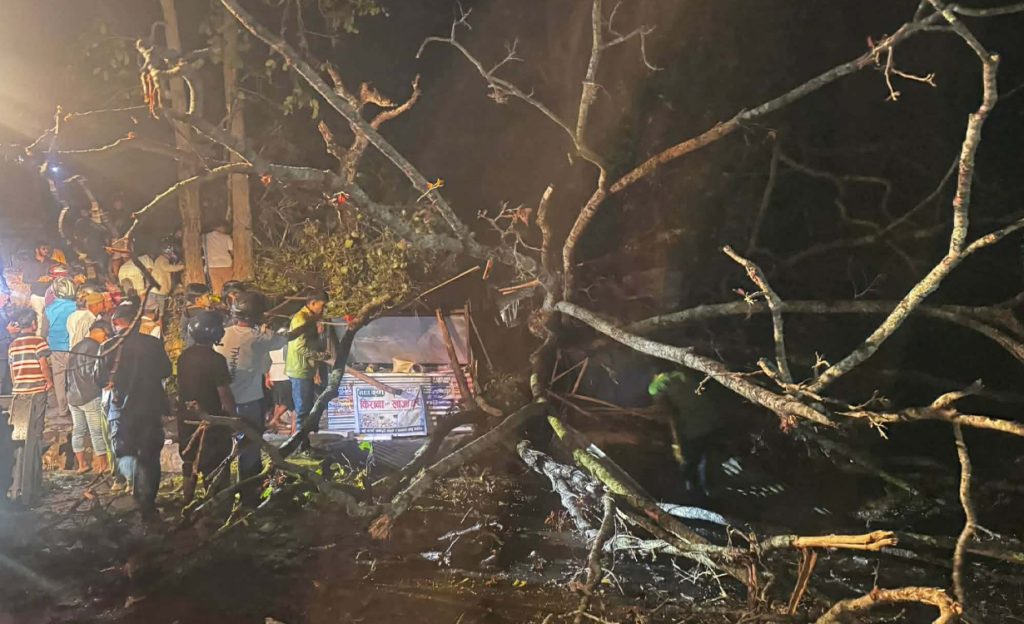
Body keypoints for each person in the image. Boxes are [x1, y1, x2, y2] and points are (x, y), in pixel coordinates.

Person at [214, 291, 289, 506]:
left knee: (222, 450)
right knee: (249, 451)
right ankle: (249, 497)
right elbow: (284, 339)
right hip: (248, 403)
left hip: (222, 401)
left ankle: (222, 496)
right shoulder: (260, 338)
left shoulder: (222, 334)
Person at [98, 303, 172, 516]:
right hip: (150, 405)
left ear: (116, 322)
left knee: (124, 449)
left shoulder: (108, 346)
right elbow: (166, 370)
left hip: (121, 407)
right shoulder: (153, 344)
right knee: (150, 454)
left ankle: (133, 491)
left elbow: (99, 379)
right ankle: (146, 501)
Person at [177, 311, 236, 505]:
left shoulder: (184, 357)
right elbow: (224, 393)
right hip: (211, 419)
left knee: (189, 460)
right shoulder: (216, 360)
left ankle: (187, 501)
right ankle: (216, 504)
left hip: (186, 417)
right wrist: (232, 418)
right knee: (216, 463)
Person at [648, 370, 725, 499]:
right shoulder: (680, 375)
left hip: (692, 429)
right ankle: (712, 490)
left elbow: (668, 413)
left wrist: (676, 441)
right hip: (711, 421)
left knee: (690, 464)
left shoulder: (655, 386)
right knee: (707, 459)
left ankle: (696, 495)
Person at [7, 308, 53, 507]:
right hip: (36, 391)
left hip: (19, 392)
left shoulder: (13, 345)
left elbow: (12, 370)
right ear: (33, 324)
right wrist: (48, 381)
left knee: (19, 435)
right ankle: (32, 482)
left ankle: (18, 482)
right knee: (35, 433)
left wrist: (17, 385)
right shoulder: (39, 342)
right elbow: (43, 364)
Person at [286, 290, 330, 451]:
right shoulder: (301, 319)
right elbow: (299, 347)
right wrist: (320, 356)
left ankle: (304, 445)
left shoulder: (309, 318)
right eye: (322, 306)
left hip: (305, 369)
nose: (323, 310)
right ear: (312, 303)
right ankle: (301, 448)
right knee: (302, 410)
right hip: (300, 369)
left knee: (305, 408)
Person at [67, 320, 112, 474]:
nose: (106, 339)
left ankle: (81, 465)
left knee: (78, 430)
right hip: (89, 395)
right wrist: (105, 384)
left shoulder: (76, 347)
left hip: (72, 395)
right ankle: (103, 465)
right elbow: (93, 372)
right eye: (106, 336)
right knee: (97, 431)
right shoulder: (95, 348)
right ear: (99, 331)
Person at [42, 277, 78, 426]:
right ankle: (76, 409)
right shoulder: (76, 306)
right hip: (74, 348)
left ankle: (63, 410)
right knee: (74, 378)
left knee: (59, 379)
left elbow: (43, 332)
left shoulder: (48, 309)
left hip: (56, 349)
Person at [266, 346, 293, 433]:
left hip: (273, 374)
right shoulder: (286, 346)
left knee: (277, 401)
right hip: (284, 375)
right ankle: (274, 419)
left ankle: (276, 422)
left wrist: (267, 376)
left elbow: (266, 361)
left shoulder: (271, 345)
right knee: (287, 401)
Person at [67, 285, 99, 355]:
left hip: (75, 351)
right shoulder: (89, 317)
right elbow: (78, 340)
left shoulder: (71, 316)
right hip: (84, 353)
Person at [203, 221, 234, 294]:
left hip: (212, 265)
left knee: (216, 287)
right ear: (219, 227)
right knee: (228, 286)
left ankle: (218, 299)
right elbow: (232, 251)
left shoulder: (204, 237)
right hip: (226, 264)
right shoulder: (226, 237)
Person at [180, 283, 214, 349]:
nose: (210, 298)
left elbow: (182, 330)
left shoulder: (187, 311)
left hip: (191, 348)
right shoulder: (205, 316)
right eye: (207, 296)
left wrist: (188, 341)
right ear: (198, 300)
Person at [0, 291, 12, 395]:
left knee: (5, 376)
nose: (6, 299)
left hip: (6, 348)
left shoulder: (4, 312)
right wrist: (8, 331)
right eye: (3, 296)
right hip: (2, 349)